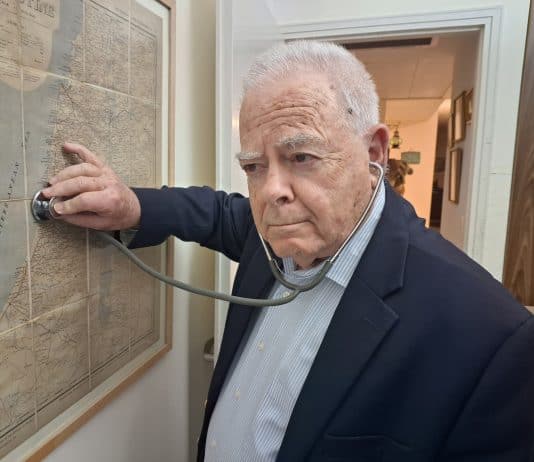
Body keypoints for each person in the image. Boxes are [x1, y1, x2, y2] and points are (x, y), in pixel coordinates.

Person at [42, 41, 534, 461]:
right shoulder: (273, 234)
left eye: (301, 157)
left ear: (374, 153)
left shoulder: (489, 336)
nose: (271, 191)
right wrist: (131, 206)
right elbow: (215, 212)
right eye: (254, 167)